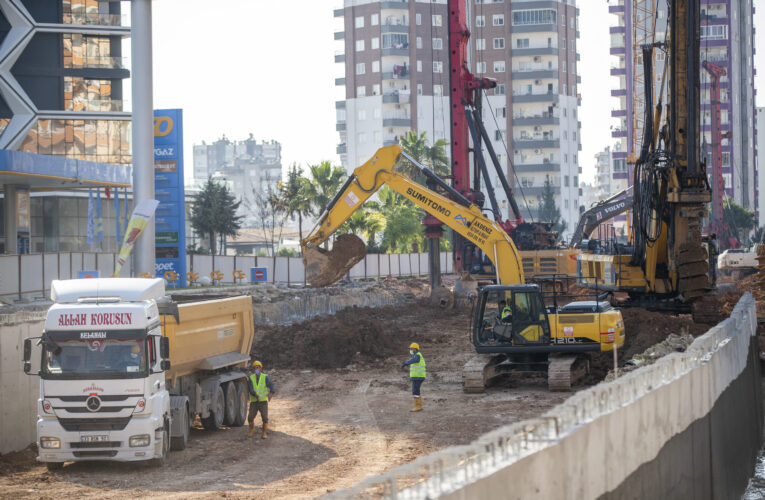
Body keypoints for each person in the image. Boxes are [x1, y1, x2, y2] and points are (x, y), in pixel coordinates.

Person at [247, 360, 275, 439]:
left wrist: (271, 392)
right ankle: (251, 429)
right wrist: (255, 394)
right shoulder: (251, 378)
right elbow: (250, 389)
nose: (257, 369)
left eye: (258, 367)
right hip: (254, 402)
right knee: (250, 417)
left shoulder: (265, 377)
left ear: (261, 368)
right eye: (255, 367)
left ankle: (264, 432)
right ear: (253, 369)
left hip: (263, 401)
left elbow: (271, 384)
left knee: (265, 418)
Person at [401, 342, 426, 412]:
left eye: (412, 349)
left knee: (415, 391)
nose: (410, 350)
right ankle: (419, 406)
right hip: (417, 377)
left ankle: (418, 406)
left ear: (415, 349)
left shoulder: (417, 355)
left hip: (418, 377)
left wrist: (406, 363)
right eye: (410, 349)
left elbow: (415, 360)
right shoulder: (416, 356)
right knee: (416, 390)